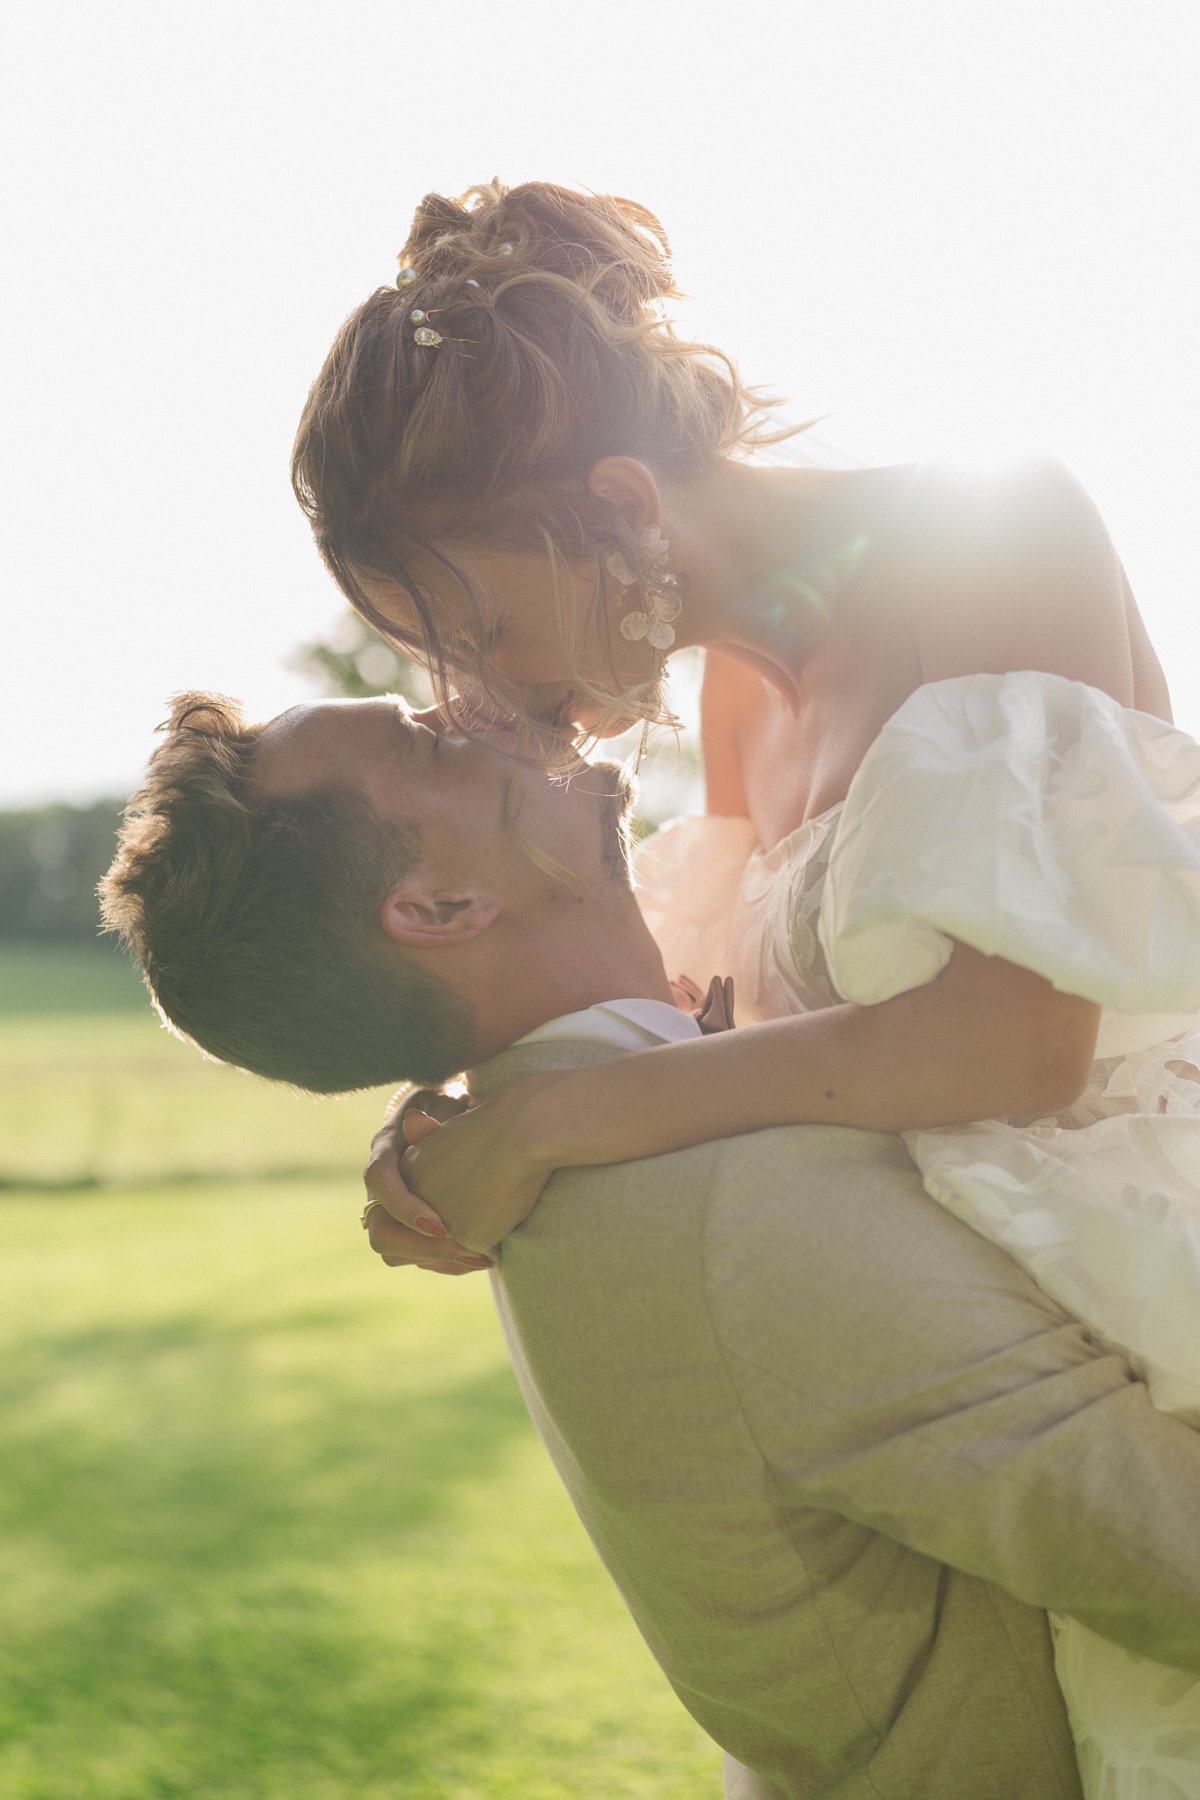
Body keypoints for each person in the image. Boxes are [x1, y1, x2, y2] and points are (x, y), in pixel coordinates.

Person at [290, 180, 1200, 1793]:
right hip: (967, 1358)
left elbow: (1022, 1038)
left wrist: (577, 1113)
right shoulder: (726, 709)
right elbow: (749, 1058)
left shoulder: (995, 533)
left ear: (625, 499)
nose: (494, 701)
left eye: (488, 628)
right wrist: (471, 1122)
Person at [101, 689, 1200, 1799]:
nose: (481, 705)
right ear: (440, 906)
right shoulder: (730, 1214)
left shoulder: (556, 1158)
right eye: (430, 739)